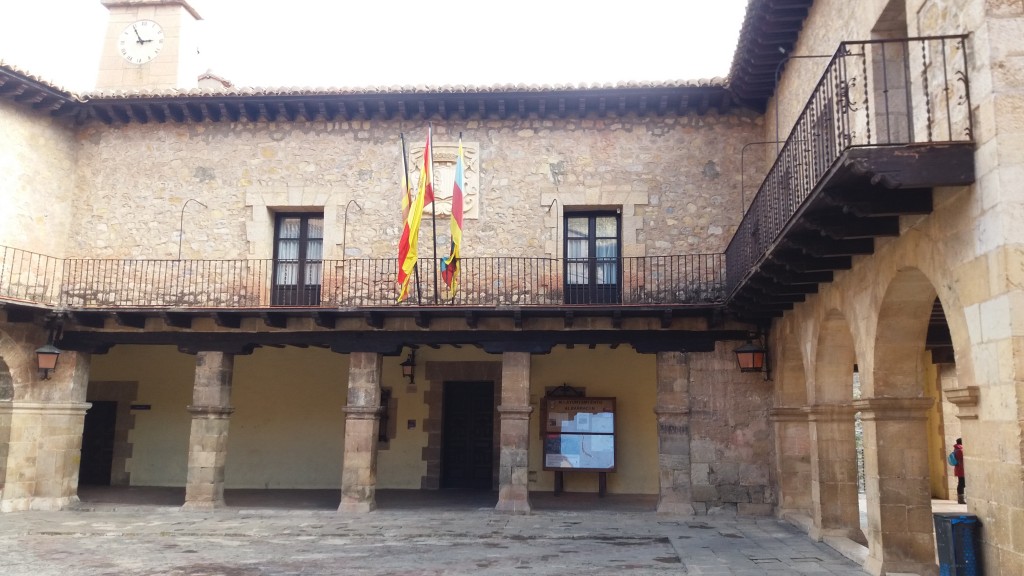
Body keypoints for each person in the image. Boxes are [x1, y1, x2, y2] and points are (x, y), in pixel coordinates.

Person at [954, 438, 965, 504]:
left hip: (958, 469)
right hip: (961, 469)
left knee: (961, 483)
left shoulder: (956, 449)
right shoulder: (960, 450)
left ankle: (960, 499)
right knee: (962, 484)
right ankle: (961, 500)